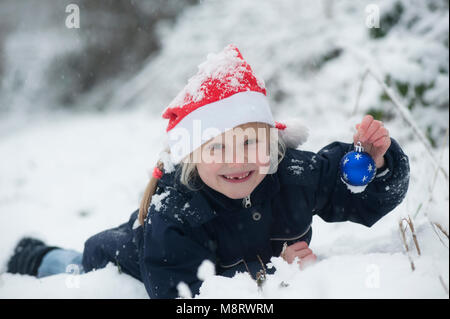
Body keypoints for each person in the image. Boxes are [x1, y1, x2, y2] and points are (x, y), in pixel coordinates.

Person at [6, 44, 410, 299]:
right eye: (216, 147)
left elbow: (358, 196)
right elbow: (181, 296)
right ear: (192, 157)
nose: (236, 160)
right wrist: (277, 275)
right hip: (126, 257)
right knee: (77, 266)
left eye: (250, 143)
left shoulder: (293, 175)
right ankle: (36, 257)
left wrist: (377, 164)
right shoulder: (176, 213)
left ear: (271, 145)